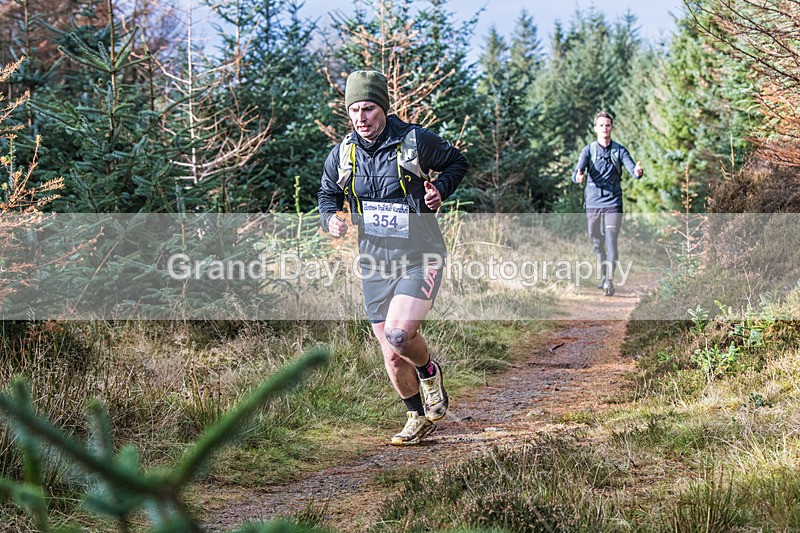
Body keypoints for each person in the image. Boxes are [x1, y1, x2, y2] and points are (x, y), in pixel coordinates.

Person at [317, 70, 468, 445]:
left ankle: (431, 373)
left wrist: (440, 192)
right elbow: (326, 196)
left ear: (382, 107)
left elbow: (457, 162)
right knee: (392, 356)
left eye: (368, 108)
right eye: (354, 110)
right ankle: (416, 416)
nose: (361, 118)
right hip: (374, 262)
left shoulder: (413, 141)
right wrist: (330, 220)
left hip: (421, 255)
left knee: (401, 336)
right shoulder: (343, 154)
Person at [572, 111, 643, 296]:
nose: (605, 128)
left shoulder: (619, 150)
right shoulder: (588, 150)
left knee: (611, 240)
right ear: (595, 128)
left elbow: (631, 168)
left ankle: (609, 281)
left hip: (613, 202)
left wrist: (637, 172)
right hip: (593, 203)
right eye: (601, 125)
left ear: (612, 127)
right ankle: (604, 276)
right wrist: (578, 177)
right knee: (597, 241)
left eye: (608, 125)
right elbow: (577, 171)